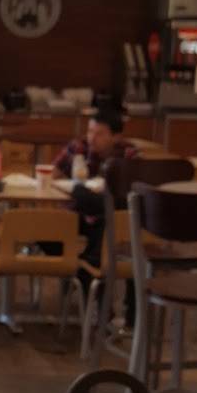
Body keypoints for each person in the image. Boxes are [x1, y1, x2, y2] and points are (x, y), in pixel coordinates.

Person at [55, 107, 133, 272]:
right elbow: (52, 174)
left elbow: (130, 192)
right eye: (90, 131)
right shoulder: (79, 147)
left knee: (108, 217)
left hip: (107, 217)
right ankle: (84, 266)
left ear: (116, 137)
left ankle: (87, 268)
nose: (92, 138)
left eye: (100, 134)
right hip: (77, 213)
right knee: (45, 228)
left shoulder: (128, 154)